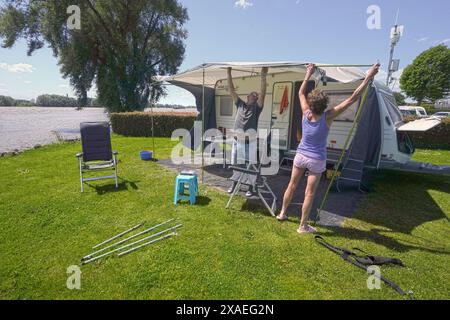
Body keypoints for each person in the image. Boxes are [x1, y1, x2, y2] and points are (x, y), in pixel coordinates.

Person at [276, 63, 380, 234]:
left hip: (300, 155)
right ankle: (302, 226)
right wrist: (368, 76)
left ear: (311, 103)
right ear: (324, 105)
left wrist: (308, 73)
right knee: (309, 194)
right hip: (316, 159)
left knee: (292, 185)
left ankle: (282, 213)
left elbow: (300, 92)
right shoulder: (328, 116)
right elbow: (353, 97)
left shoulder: (305, 111)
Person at [227, 66, 268, 197]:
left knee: (250, 166)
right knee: (236, 165)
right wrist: (228, 72)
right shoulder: (239, 104)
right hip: (237, 141)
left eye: (256, 95)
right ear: (248, 96)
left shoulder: (257, 108)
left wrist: (263, 75)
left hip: (249, 142)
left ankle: (251, 187)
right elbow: (231, 90)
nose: (255, 95)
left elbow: (263, 92)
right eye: (253, 93)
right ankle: (234, 184)